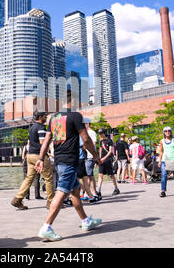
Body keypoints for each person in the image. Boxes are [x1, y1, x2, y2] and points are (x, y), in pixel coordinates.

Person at [35, 90, 103, 242]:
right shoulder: (76, 116)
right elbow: (85, 140)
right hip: (69, 161)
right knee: (61, 192)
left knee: (75, 191)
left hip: (59, 160)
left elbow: (46, 141)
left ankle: (86, 221)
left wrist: (41, 158)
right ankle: (47, 226)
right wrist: (96, 156)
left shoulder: (53, 119)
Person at [11, 111, 54, 210]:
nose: (46, 118)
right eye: (44, 116)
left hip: (29, 155)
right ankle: (51, 202)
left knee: (29, 178)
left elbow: (30, 142)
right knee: (49, 178)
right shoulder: (41, 128)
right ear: (40, 117)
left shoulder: (32, 128)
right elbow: (43, 142)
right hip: (39, 155)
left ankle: (17, 199)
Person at [157, 126, 174, 198]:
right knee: (164, 175)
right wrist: (159, 161)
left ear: (171, 132)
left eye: (168, 130)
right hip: (164, 160)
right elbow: (160, 152)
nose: (167, 132)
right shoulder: (161, 141)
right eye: (165, 131)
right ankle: (163, 191)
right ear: (164, 132)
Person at [96, 129, 120, 198]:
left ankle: (116, 188)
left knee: (111, 175)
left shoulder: (109, 141)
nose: (100, 135)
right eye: (99, 133)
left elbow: (110, 151)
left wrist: (104, 158)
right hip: (101, 161)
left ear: (104, 133)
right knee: (100, 175)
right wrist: (99, 159)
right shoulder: (101, 141)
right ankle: (99, 190)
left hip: (107, 160)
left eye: (101, 133)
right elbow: (100, 150)